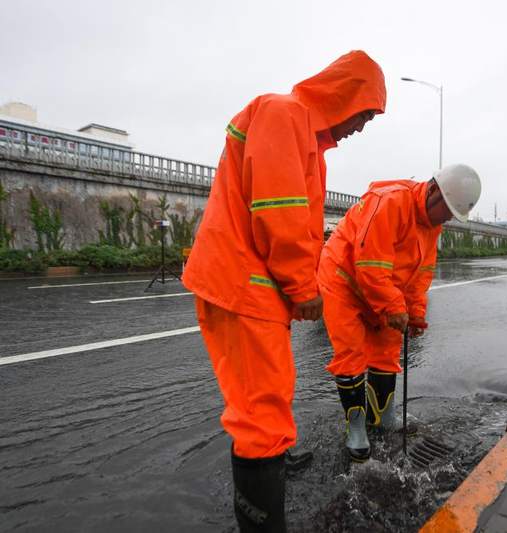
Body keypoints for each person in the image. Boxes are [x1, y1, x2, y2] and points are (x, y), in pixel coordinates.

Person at [181, 50, 386, 531]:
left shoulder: (301, 132)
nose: (361, 126)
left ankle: (272, 460)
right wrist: (302, 287)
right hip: (243, 283)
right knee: (260, 413)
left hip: (246, 282)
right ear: (343, 94)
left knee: (267, 396)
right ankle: (263, 507)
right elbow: (280, 209)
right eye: (363, 113)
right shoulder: (284, 114)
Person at [318, 164, 481, 461]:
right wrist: (393, 306)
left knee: (388, 348)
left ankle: (382, 415)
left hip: (382, 287)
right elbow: (369, 264)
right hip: (344, 281)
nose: (445, 219)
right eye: (445, 211)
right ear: (432, 191)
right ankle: (356, 427)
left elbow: (422, 272)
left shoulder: (433, 225)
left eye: (451, 216)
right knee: (351, 354)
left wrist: (415, 312)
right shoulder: (391, 202)